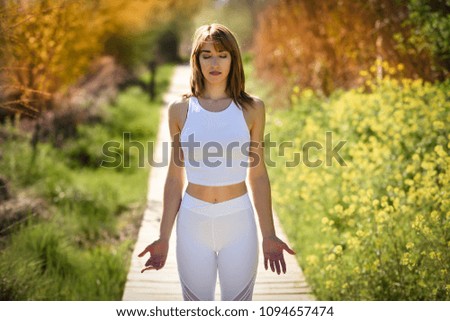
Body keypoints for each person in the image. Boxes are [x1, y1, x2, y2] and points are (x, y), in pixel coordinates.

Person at [138, 23, 295, 301]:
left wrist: (269, 234)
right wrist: (163, 237)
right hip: (192, 222)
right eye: (206, 54)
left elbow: (257, 175)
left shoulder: (252, 109)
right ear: (196, 59)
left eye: (222, 55)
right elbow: (175, 178)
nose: (215, 62)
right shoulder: (180, 109)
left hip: (239, 222)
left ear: (234, 59)